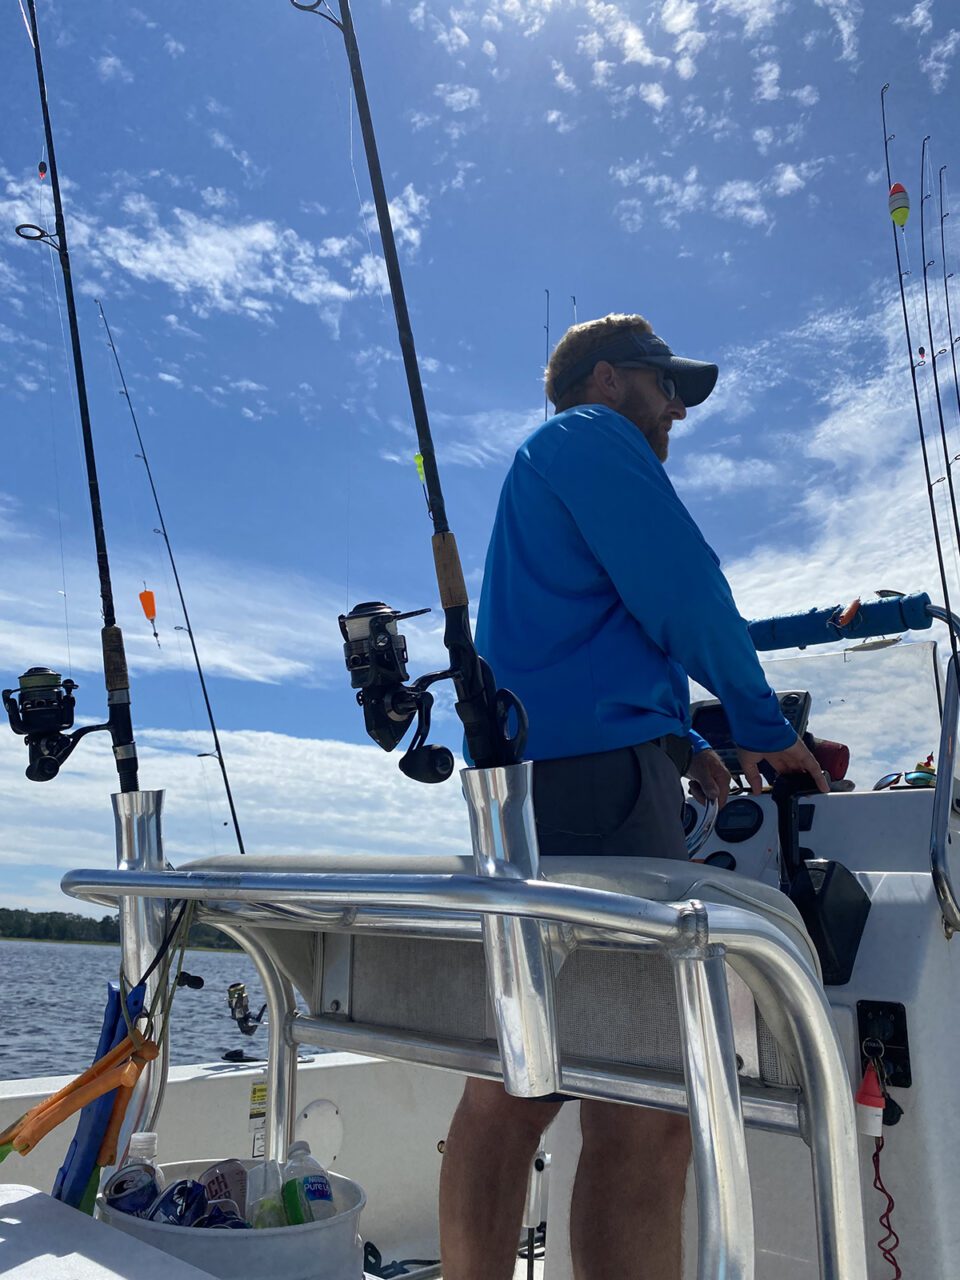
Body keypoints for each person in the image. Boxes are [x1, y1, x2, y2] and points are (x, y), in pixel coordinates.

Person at [437, 313, 828, 1280]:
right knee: (645, 1111)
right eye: (666, 387)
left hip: (542, 791)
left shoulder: (543, 464)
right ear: (608, 380)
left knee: (509, 1088)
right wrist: (765, 728)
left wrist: (685, 738)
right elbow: (686, 590)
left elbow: (582, 641)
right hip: (601, 801)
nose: (676, 411)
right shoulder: (592, 437)